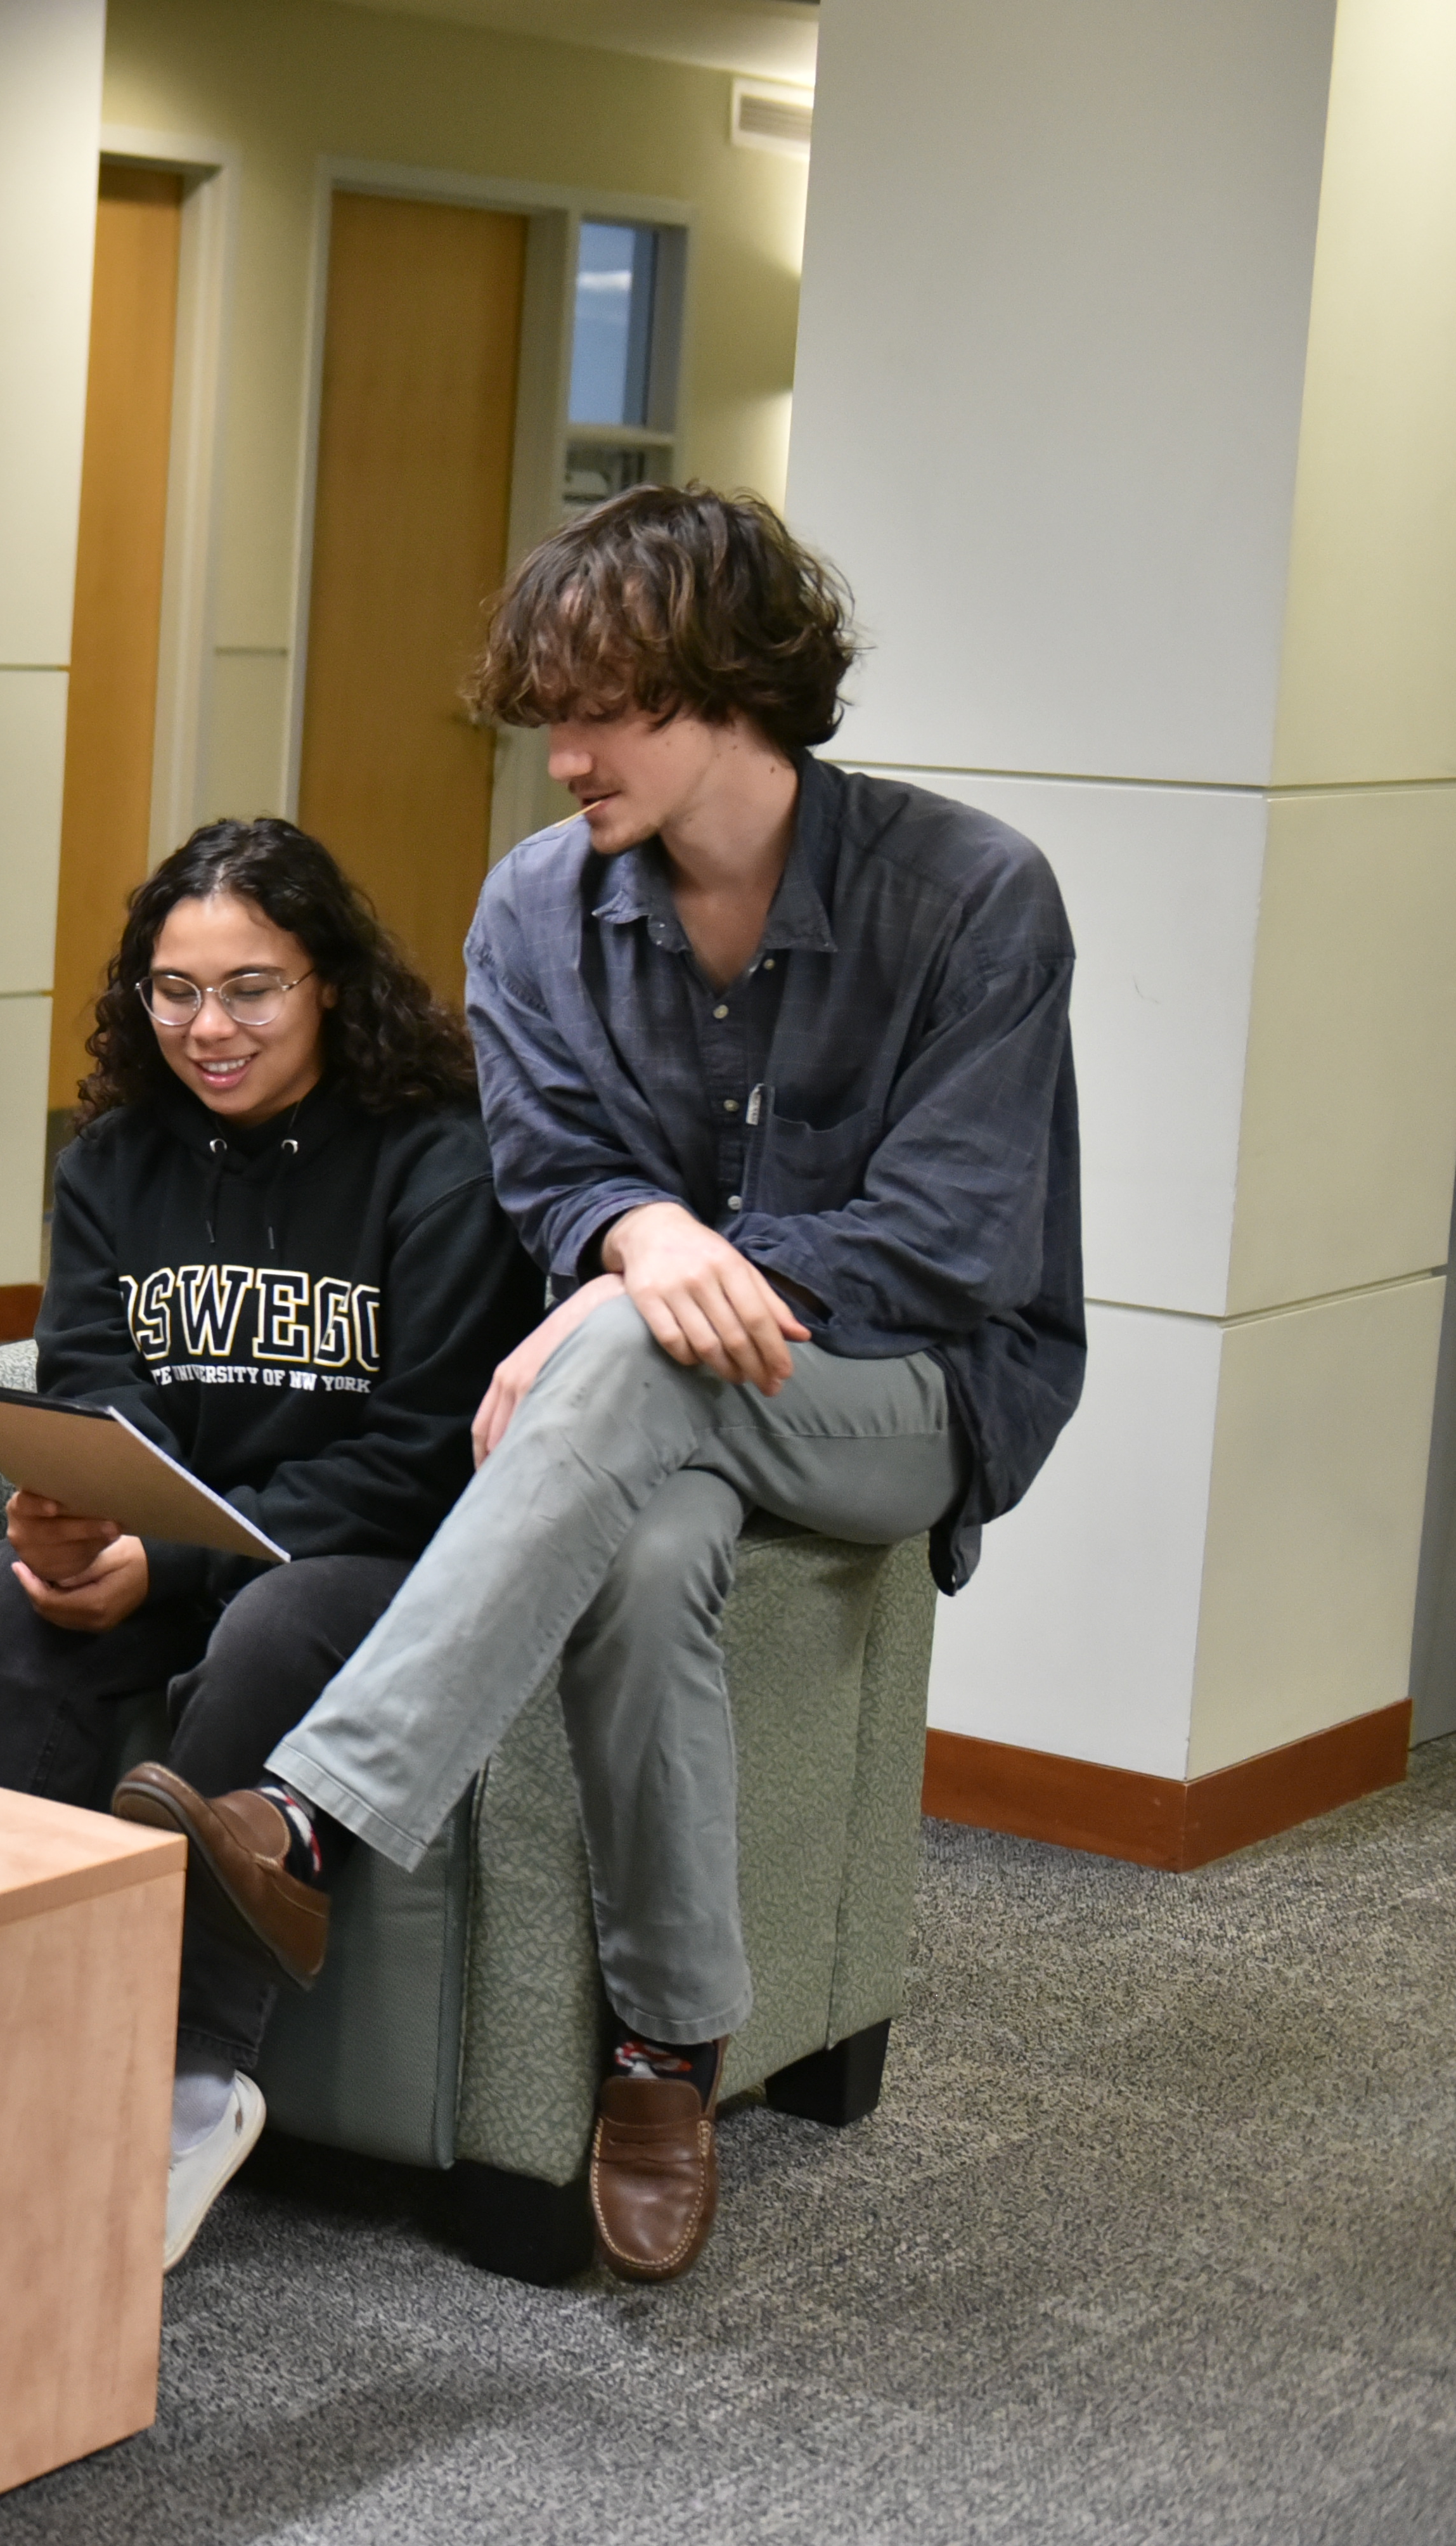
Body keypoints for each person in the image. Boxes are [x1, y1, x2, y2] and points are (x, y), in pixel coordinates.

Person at [153, 485, 1085, 2282]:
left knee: (634, 1343)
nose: (560, 757)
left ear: (734, 688)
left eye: (602, 712)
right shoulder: (535, 909)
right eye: (546, 716)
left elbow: (958, 1237)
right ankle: (667, 2052)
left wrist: (639, 1287)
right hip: (659, 1417)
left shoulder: (972, 895)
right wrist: (635, 1243)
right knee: (649, 1563)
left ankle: (313, 1808)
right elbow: (553, 1173)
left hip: (904, 1397)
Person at [0, 820, 537, 2270]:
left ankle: (193, 2074)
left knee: (269, 1628)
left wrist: (180, 1563)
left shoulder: (440, 1164)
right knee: (16, 1611)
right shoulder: (114, 1159)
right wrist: (84, 1522)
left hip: (361, 1561)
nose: (209, 1027)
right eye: (172, 989)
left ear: (327, 981)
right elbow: (87, 1378)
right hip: (178, 1532)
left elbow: (418, 1451)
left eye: (250, 988)